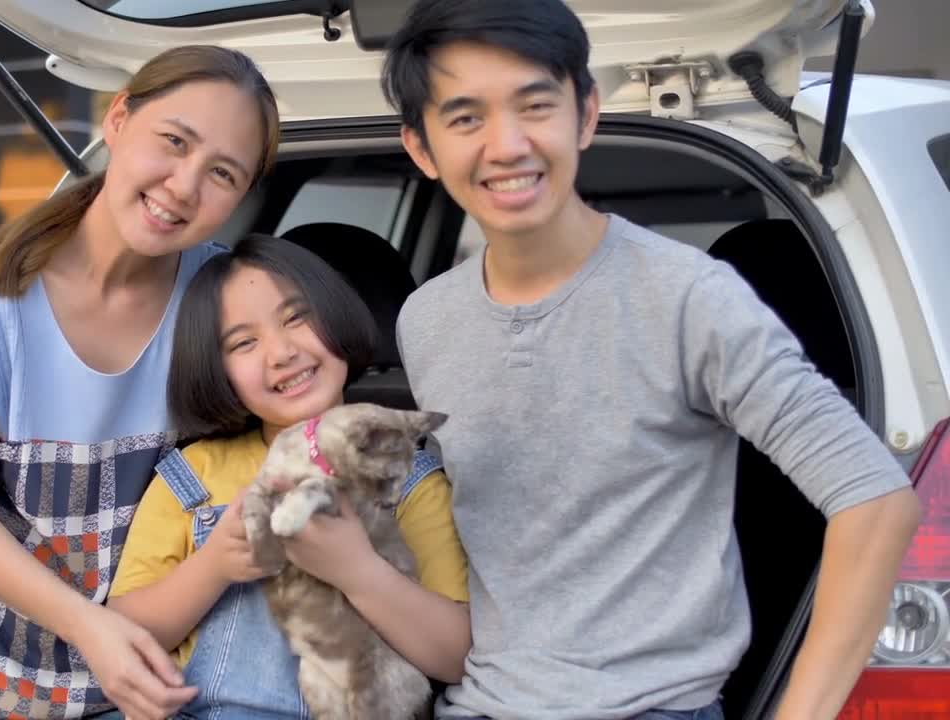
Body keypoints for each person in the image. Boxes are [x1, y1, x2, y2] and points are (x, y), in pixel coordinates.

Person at [381, 1, 922, 718]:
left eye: (535, 104)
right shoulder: (427, 319)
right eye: (466, 118)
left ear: (585, 114)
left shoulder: (688, 298)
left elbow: (876, 499)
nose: (507, 145)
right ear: (421, 147)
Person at [0, 45, 281, 720]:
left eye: (222, 173)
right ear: (119, 120)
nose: (184, 185)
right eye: (173, 141)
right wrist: (89, 627)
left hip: (162, 689)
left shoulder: (225, 302)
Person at [106, 234, 472, 718]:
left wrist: (359, 571)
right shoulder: (194, 476)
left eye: (296, 317)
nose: (280, 352)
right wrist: (213, 567)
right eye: (244, 342)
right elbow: (124, 636)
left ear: (337, 314)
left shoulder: (409, 481)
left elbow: (457, 656)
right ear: (217, 371)